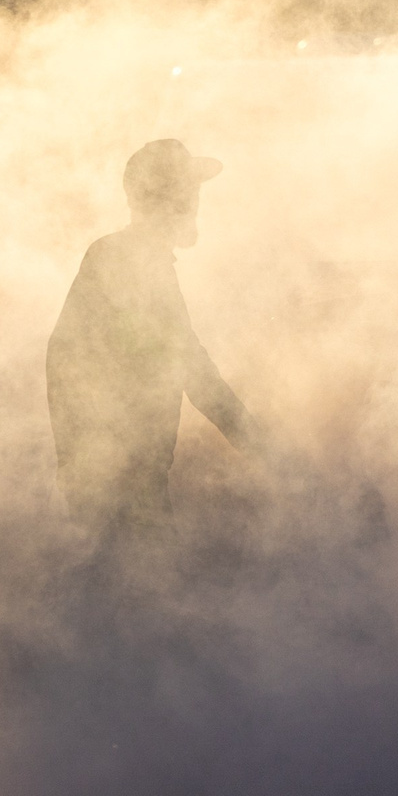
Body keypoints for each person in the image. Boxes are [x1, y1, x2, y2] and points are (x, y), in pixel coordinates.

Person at [47, 139, 257, 531]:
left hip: (122, 478)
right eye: (187, 192)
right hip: (118, 483)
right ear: (163, 197)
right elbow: (191, 366)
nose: (194, 203)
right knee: (141, 561)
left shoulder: (135, 259)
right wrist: (261, 446)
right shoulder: (125, 260)